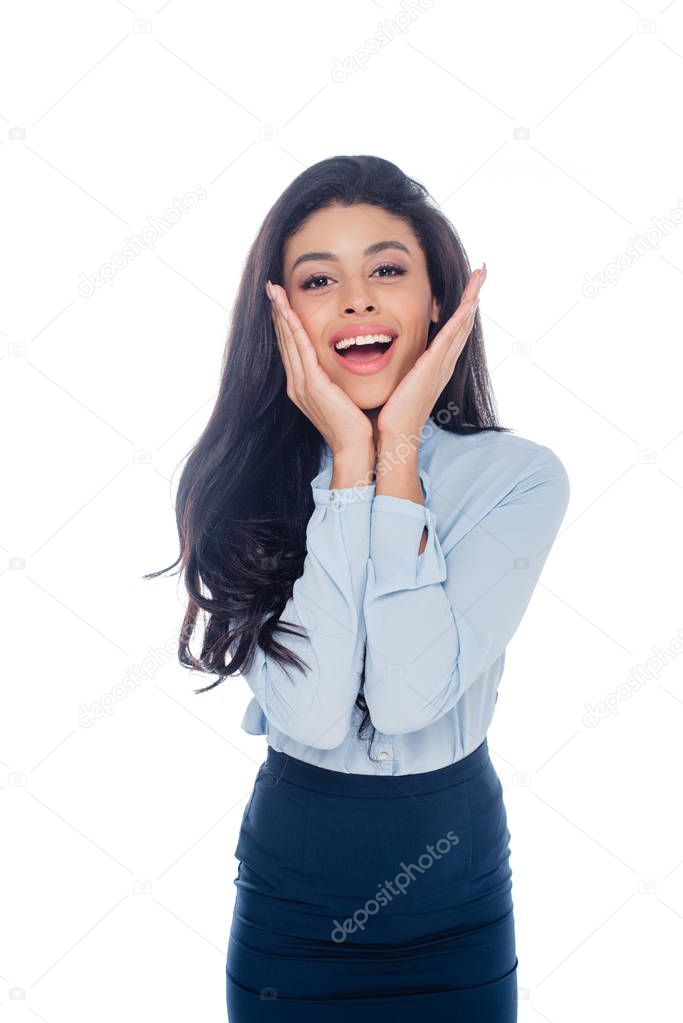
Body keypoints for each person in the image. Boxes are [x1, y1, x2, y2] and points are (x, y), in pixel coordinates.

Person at [148, 155, 570, 1020]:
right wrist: (351, 464)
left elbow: (412, 698)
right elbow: (309, 716)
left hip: (455, 907)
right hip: (293, 912)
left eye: (386, 269)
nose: (358, 300)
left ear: (438, 302)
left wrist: (399, 451)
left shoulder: (518, 478)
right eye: (319, 279)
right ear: (282, 316)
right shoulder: (239, 480)